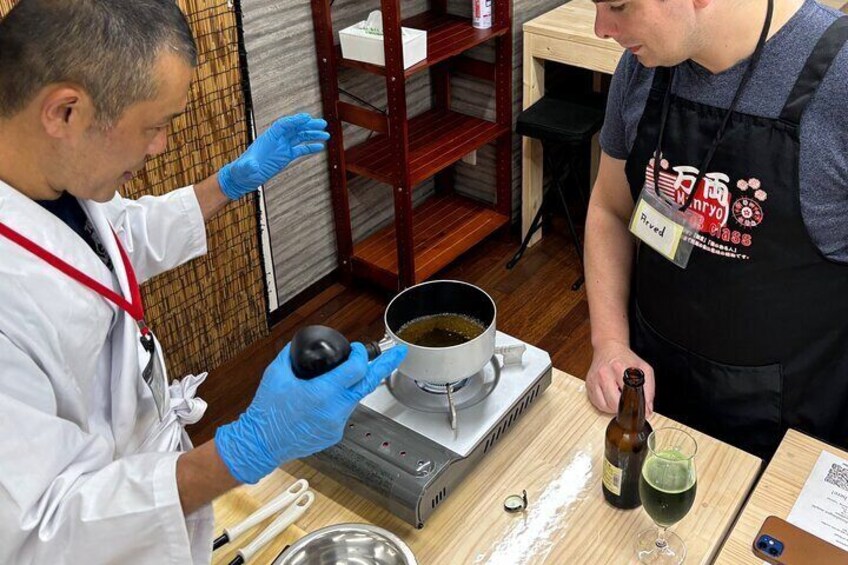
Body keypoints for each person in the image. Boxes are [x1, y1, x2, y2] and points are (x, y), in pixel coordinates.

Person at [0, 1, 407, 563]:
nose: (160, 146)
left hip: (147, 474)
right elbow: (41, 533)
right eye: (154, 126)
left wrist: (230, 182)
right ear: (64, 112)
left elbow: (114, 242)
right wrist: (244, 450)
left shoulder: (48, 181)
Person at [584, 0, 848, 459]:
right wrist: (609, 343)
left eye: (618, 6)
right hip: (653, 395)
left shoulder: (838, 81)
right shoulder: (642, 68)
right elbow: (609, 209)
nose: (600, 28)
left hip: (789, 433)